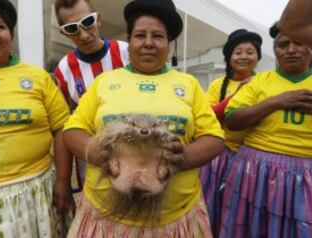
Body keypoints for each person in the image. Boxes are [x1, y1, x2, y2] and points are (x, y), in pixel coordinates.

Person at [62, 0, 225, 236]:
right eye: (140, 35)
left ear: (169, 43)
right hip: (105, 218)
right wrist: (96, 152)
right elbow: (72, 129)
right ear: (130, 42)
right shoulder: (105, 82)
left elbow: (214, 138)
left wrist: (182, 158)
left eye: (157, 36)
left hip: (174, 219)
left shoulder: (187, 84)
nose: (148, 43)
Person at [0, 0, 73, 236]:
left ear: (10, 35)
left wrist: (63, 182)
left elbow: (62, 128)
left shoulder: (37, 77)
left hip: (34, 193)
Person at [219, 25, 312, 237]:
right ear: (275, 51)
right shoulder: (258, 82)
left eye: (299, 43)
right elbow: (232, 119)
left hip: (306, 175)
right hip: (256, 171)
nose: (291, 50)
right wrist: (275, 102)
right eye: (283, 45)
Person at [54, 0, 129, 189]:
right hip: (92, 160)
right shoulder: (64, 70)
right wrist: (63, 181)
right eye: (72, 29)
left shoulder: (126, 52)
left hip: (133, 150)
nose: (83, 35)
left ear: (98, 19)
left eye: (87, 22)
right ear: (63, 32)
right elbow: (67, 126)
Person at [200, 29, 262, 236]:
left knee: (239, 210)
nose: (244, 56)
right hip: (219, 156)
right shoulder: (218, 85)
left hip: (251, 160)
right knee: (213, 203)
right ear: (229, 57)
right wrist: (237, 94)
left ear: (258, 57)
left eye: (250, 52)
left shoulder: (264, 83)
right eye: (238, 52)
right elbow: (209, 115)